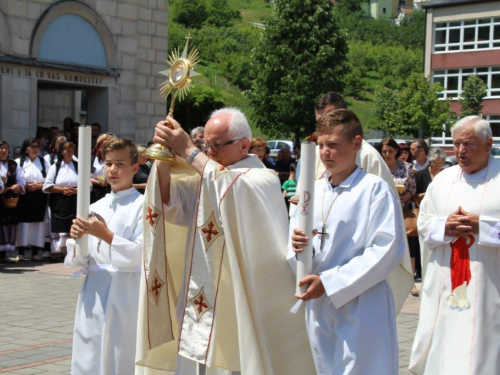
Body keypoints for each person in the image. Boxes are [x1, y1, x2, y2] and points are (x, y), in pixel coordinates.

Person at [136, 108, 314, 374]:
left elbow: (229, 187)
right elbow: (169, 204)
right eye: (205, 144)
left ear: (244, 145)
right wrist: (163, 155)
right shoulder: (208, 174)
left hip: (243, 291)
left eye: (216, 145)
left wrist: (188, 150)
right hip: (206, 289)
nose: (208, 151)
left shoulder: (260, 178)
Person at [289, 110, 405, 374]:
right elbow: (295, 235)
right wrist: (296, 246)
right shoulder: (312, 190)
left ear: (356, 144)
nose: (325, 152)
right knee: (325, 367)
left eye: (333, 145)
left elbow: (386, 251)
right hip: (319, 303)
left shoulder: (374, 189)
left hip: (361, 303)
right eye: (320, 145)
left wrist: (331, 283)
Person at [409, 116, 500, 374]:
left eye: (468, 144)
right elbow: (423, 224)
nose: (460, 151)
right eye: (456, 144)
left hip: (490, 291)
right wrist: (445, 227)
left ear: (488, 143)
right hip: (448, 284)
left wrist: (483, 227)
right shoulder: (444, 181)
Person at [312, 91, 413, 312]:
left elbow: (375, 213)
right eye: (319, 122)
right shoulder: (320, 151)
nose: (324, 126)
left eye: (329, 118)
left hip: (358, 271)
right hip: (322, 265)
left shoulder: (366, 155)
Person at [65, 138, 143, 375]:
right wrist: (78, 240)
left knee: (119, 351)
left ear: (135, 168)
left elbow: (142, 253)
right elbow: (82, 259)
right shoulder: (96, 205)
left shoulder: (143, 205)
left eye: (120, 164)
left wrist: (107, 235)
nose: (113, 170)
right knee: (89, 348)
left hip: (125, 289)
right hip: (94, 291)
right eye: (108, 163)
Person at [379, 138, 419, 296]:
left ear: (396, 151)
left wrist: (404, 197)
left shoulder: (406, 167)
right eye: (384, 152)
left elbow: (413, 189)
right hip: (384, 212)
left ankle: (411, 281)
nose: (387, 154)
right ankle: (387, 278)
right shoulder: (379, 167)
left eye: (390, 151)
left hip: (403, 211)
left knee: (409, 246)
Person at [15, 138, 51, 261]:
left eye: (37, 147)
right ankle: (20, 251)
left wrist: (39, 186)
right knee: (22, 224)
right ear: (26, 148)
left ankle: (36, 251)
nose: (35, 149)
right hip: (24, 197)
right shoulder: (19, 162)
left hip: (39, 197)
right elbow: (15, 179)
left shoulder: (43, 162)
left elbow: (49, 179)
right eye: (32, 146)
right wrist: (24, 185)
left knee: (38, 224)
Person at [43, 141, 78, 259]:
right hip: (58, 200)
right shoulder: (55, 167)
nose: (69, 153)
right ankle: (56, 252)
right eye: (67, 150)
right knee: (57, 225)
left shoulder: (78, 166)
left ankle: (70, 252)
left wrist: (75, 191)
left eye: (71, 150)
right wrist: (62, 189)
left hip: (74, 200)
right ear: (62, 151)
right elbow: (47, 186)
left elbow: (88, 185)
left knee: (71, 225)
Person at [0, 141, 25, 262]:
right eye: (1, 148)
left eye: (6, 148)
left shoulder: (13, 164)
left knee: (6, 225)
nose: (4, 151)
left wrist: (18, 186)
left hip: (8, 200)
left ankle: (3, 254)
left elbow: (21, 180)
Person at [90, 134, 115, 204]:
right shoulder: (92, 159)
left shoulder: (115, 160)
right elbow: (85, 176)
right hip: (94, 192)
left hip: (111, 190)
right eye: (103, 145)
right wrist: (99, 181)